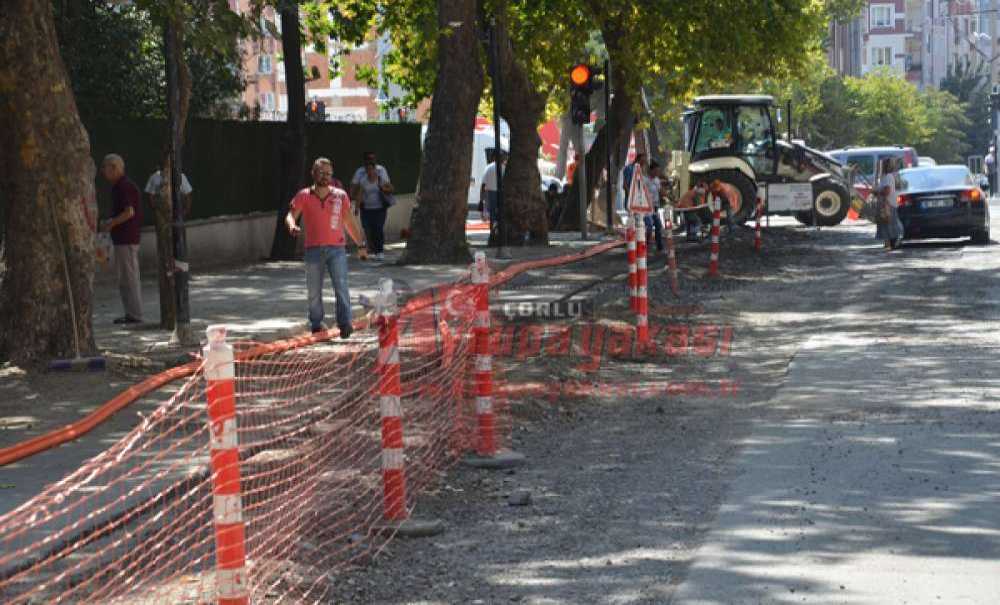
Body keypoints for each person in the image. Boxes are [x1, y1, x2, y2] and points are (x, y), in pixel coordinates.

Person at [287, 157, 368, 336]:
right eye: (322, 173)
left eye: (329, 173)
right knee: (313, 290)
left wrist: (361, 244)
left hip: (337, 249)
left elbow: (349, 221)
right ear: (313, 173)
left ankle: (345, 323)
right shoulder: (304, 195)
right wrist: (292, 225)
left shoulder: (340, 195)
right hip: (313, 250)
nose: (326, 176)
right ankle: (316, 324)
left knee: (341, 286)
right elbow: (291, 215)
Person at [99, 154, 144, 324]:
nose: (103, 172)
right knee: (125, 277)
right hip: (123, 238)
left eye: (105, 168)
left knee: (129, 277)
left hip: (127, 238)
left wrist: (111, 223)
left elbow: (129, 212)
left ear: (114, 168)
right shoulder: (120, 186)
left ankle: (135, 315)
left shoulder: (124, 186)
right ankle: (131, 313)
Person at [350, 151, 393, 261]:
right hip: (366, 208)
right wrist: (356, 207)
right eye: (368, 159)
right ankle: (372, 249)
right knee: (368, 229)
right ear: (365, 162)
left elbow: (390, 188)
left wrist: (382, 188)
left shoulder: (381, 171)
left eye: (373, 159)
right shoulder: (361, 176)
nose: (371, 161)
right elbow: (357, 191)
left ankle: (379, 251)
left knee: (378, 228)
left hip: (380, 207)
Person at [875, 157, 904, 251]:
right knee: (888, 224)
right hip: (888, 203)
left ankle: (892, 244)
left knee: (889, 224)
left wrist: (876, 192)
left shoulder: (887, 177)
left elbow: (887, 191)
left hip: (888, 204)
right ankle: (890, 244)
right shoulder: (886, 176)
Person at [643, 161, 665, 252]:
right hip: (646, 207)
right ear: (651, 171)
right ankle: (646, 245)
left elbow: (661, 191)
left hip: (655, 206)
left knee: (658, 225)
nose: (657, 173)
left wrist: (670, 198)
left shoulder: (657, 180)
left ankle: (659, 247)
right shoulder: (645, 180)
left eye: (658, 171)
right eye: (656, 171)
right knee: (649, 225)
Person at [480, 151, 507, 225]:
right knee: (501, 214)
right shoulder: (505, 169)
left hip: (490, 194)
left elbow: (483, 185)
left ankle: (492, 231)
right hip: (501, 194)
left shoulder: (488, 168)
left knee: (492, 215)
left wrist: (481, 199)